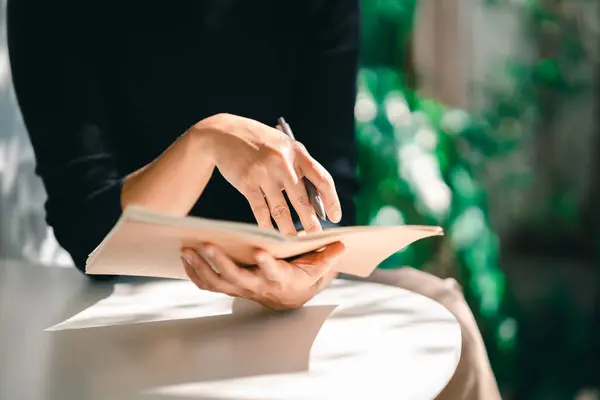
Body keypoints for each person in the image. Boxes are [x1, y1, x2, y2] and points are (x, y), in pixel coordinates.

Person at [7, 1, 501, 398]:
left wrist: (308, 275)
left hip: (279, 275)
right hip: (137, 294)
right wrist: (204, 144)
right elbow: (93, 237)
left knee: (445, 310)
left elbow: (334, 198)